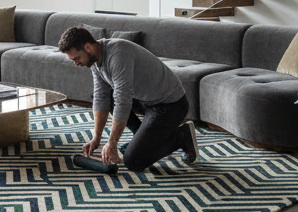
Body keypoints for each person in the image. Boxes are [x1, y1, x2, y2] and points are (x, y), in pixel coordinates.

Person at [59, 26, 198, 172]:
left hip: (170, 105)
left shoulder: (118, 54)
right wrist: (96, 138)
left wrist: (112, 143)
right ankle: (144, 139)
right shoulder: (95, 59)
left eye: (77, 58)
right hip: (145, 100)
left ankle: (181, 136)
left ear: (88, 47)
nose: (76, 63)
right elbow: (101, 97)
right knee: (107, 97)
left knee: (133, 161)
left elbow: (123, 101)